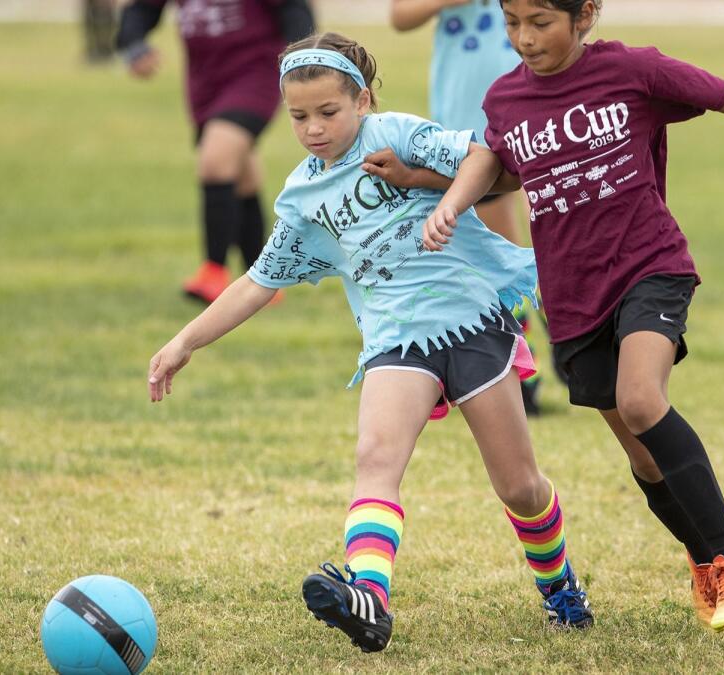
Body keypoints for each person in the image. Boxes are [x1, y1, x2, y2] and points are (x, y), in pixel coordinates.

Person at [146, 32, 594, 653]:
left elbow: (484, 158)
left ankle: (561, 588)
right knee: (375, 460)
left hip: (470, 323)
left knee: (519, 486)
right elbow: (256, 282)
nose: (313, 129)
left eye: (328, 112)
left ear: (363, 101)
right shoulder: (304, 197)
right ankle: (370, 598)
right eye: (299, 116)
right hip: (394, 342)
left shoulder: (396, 134)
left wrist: (438, 197)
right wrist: (185, 342)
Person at [418, 0, 724, 631]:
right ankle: (706, 560)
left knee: (643, 400)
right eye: (512, 22)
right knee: (644, 456)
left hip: (649, 265)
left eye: (540, 22)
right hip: (570, 298)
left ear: (585, 14)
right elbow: (505, 166)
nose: (524, 38)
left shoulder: (633, 71)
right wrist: (432, 186)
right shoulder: (505, 97)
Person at [385, 0, 550, 413]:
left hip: (538, 110)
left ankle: (571, 341)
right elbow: (400, 16)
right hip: (469, 124)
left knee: (554, 237)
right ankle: (522, 368)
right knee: (499, 257)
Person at [115, 0, 315, 303]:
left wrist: (301, 59)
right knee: (240, 170)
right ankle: (264, 279)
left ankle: (213, 272)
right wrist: (133, 44)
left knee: (216, 160)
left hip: (256, 72)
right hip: (205, 81)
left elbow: (293, 8)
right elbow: (142, 9)